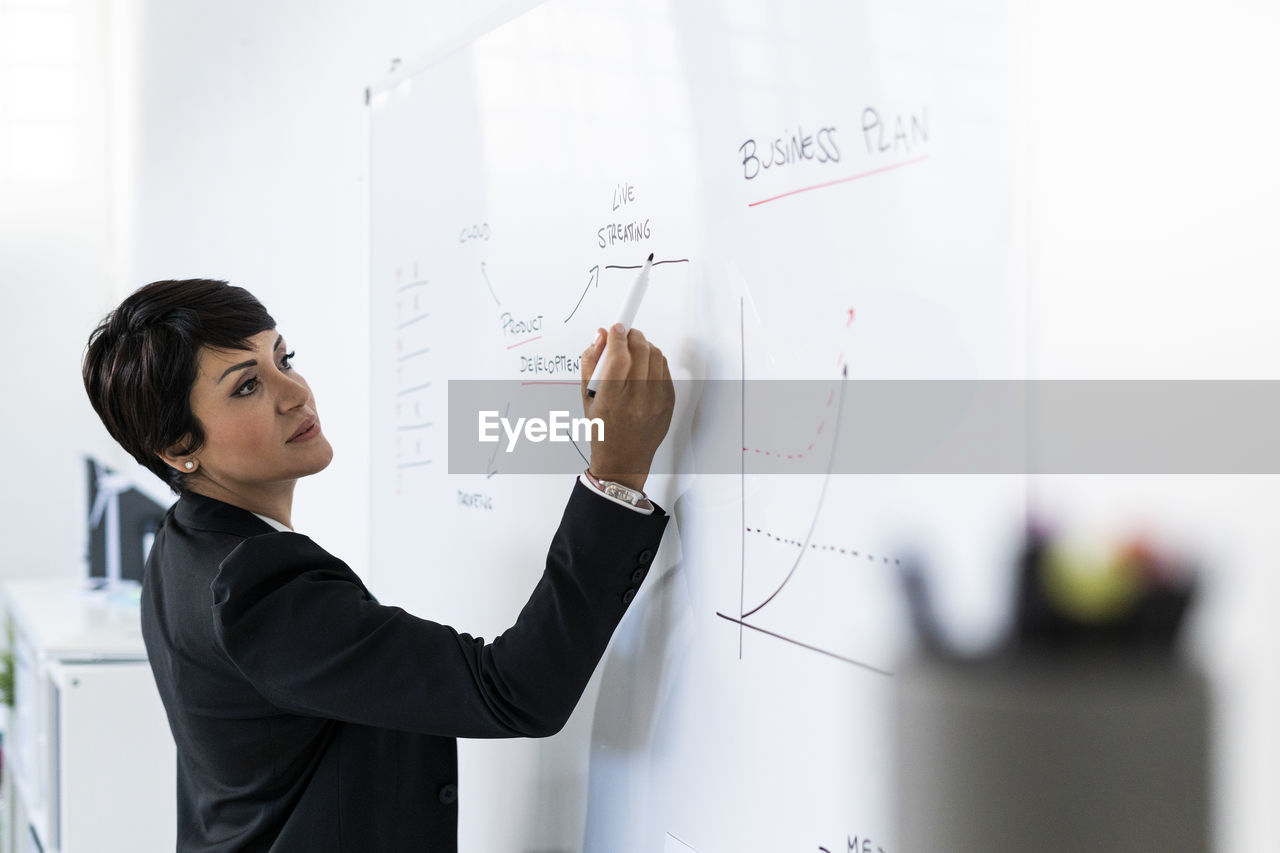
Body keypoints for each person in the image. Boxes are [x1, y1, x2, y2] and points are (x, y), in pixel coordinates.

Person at [81, 278, 675, 852]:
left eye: (284, 359)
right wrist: (616, 475)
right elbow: (514, 690)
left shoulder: (182, 543)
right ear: (180, 449)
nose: (295, 394)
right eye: (246, 387)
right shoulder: (255, 588)